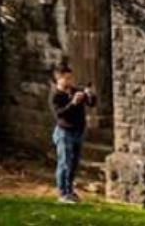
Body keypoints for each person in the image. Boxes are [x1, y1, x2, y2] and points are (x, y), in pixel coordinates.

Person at [50, 63, 95, 203]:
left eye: (71, 78)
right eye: (66, 78)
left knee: (73, 164)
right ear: (59, 78)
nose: (70, 81)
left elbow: (91, 103)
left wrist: (89, 94)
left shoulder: (75, 90)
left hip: (77, 132)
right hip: (64, 133)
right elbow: (59, 114)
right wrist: (72, 104)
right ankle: (62, 193)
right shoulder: (55, 96)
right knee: (64, 163)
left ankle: (69, 191)